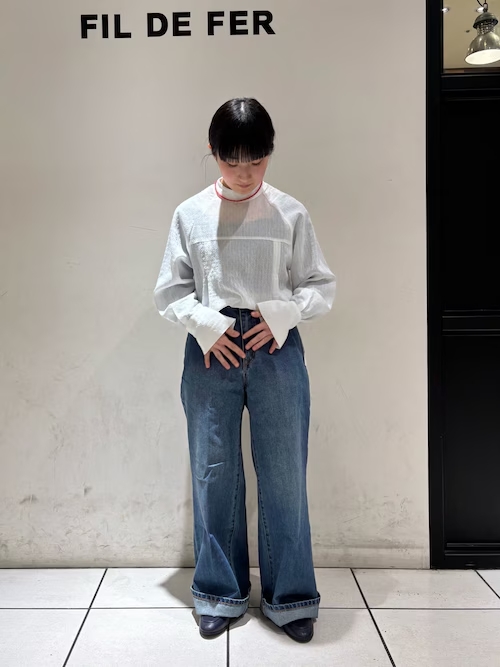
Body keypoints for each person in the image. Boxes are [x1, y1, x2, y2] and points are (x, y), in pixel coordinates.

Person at [153, 98, 336, 643]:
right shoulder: (190, 214)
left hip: (275, 344)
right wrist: (208, 325)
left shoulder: (290, 212)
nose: (244, 172)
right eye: (231, 159)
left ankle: (291, 597)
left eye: (256, 159)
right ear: (213, 153)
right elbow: (170, 290)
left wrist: (279, 315)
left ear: (269, 153)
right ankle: (218, 592)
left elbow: (319, 284)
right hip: (211, 349)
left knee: (285, 473)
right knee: (213, 471)